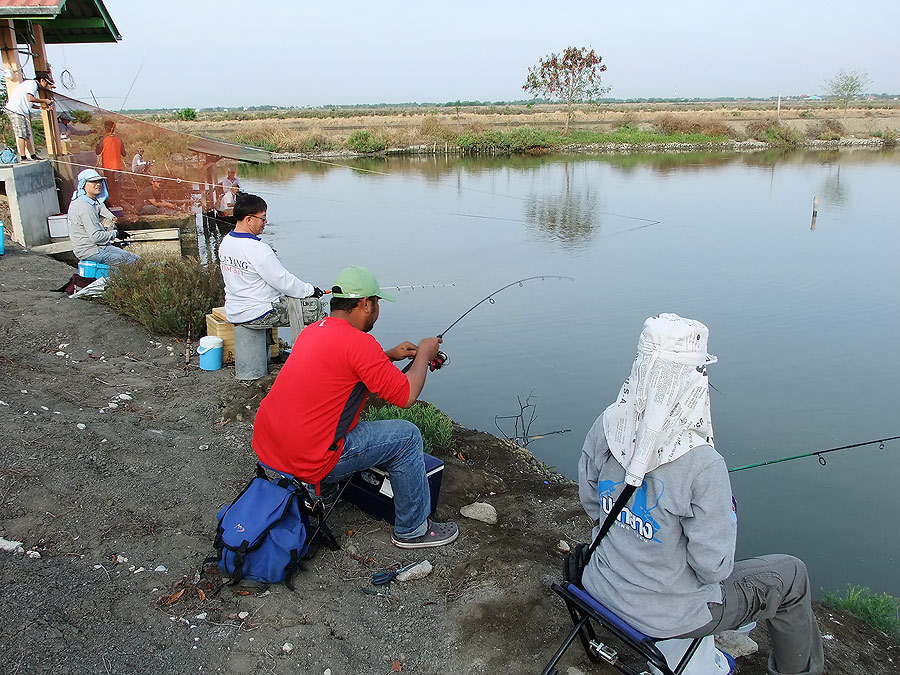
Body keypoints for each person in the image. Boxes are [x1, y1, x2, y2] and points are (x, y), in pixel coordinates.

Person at [578, 313, 824, 675]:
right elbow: (714, 568)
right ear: (695, 378)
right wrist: (728, 513)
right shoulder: (703, 463)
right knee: (791, 576)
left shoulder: (608, 423)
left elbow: (589, 501)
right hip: (666, 615)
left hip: (599, 585)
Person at [252, 265, 460, 549]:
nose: (377, 310)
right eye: (377, 304)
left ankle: (320, 494)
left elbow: (345, 366)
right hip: (309, 458)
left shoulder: (314, 331)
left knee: (327, 426)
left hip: (271, 447)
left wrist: (386, 356)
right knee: (407, 437)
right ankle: (413, 529)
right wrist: (424, 354)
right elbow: (406, 395)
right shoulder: (360, 343)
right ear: (365, 304)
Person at [218, 192, 321, 326]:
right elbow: (283, 281)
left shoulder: (226, 242)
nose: (265, 222)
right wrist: (311, 290)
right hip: (257, 313)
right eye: (262, 218)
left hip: (234, 311)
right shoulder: (257, 248)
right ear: (249, 220)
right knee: (315, 307)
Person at [67, 169, 139, 268]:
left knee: (136, 258)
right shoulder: (85, 206)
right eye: (93, 182)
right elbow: (96, 237)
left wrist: (112, 218)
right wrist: (115, 233)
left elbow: (101, 208)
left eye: (99, 181)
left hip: (98, 247)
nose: (98, 184)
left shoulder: (86, 201)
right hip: (91, 251)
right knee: (134, 262)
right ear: (84, 184)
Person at [3, 71, 54, 162]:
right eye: (46, 83)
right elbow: (30, 99)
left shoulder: (30, 85)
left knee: (26, 134)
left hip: (19, 111)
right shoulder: (33, 84)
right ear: (42, 80)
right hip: (15, 110)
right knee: (21, 134)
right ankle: (23, 157)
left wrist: (43, 108)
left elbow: (30, 103)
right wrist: (45, 101)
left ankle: (33, 155)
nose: (46, 85)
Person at [95, 120, 126, 206]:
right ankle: (117, 203)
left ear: (105, 129)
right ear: (114, 129)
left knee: (109, 187)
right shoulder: (119, 140)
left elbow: (97, 152)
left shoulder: (103, 140)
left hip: (108, 168)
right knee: (117, 187)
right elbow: (124, 153)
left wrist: (98, 143)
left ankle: (111, 204)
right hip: (117, 167)